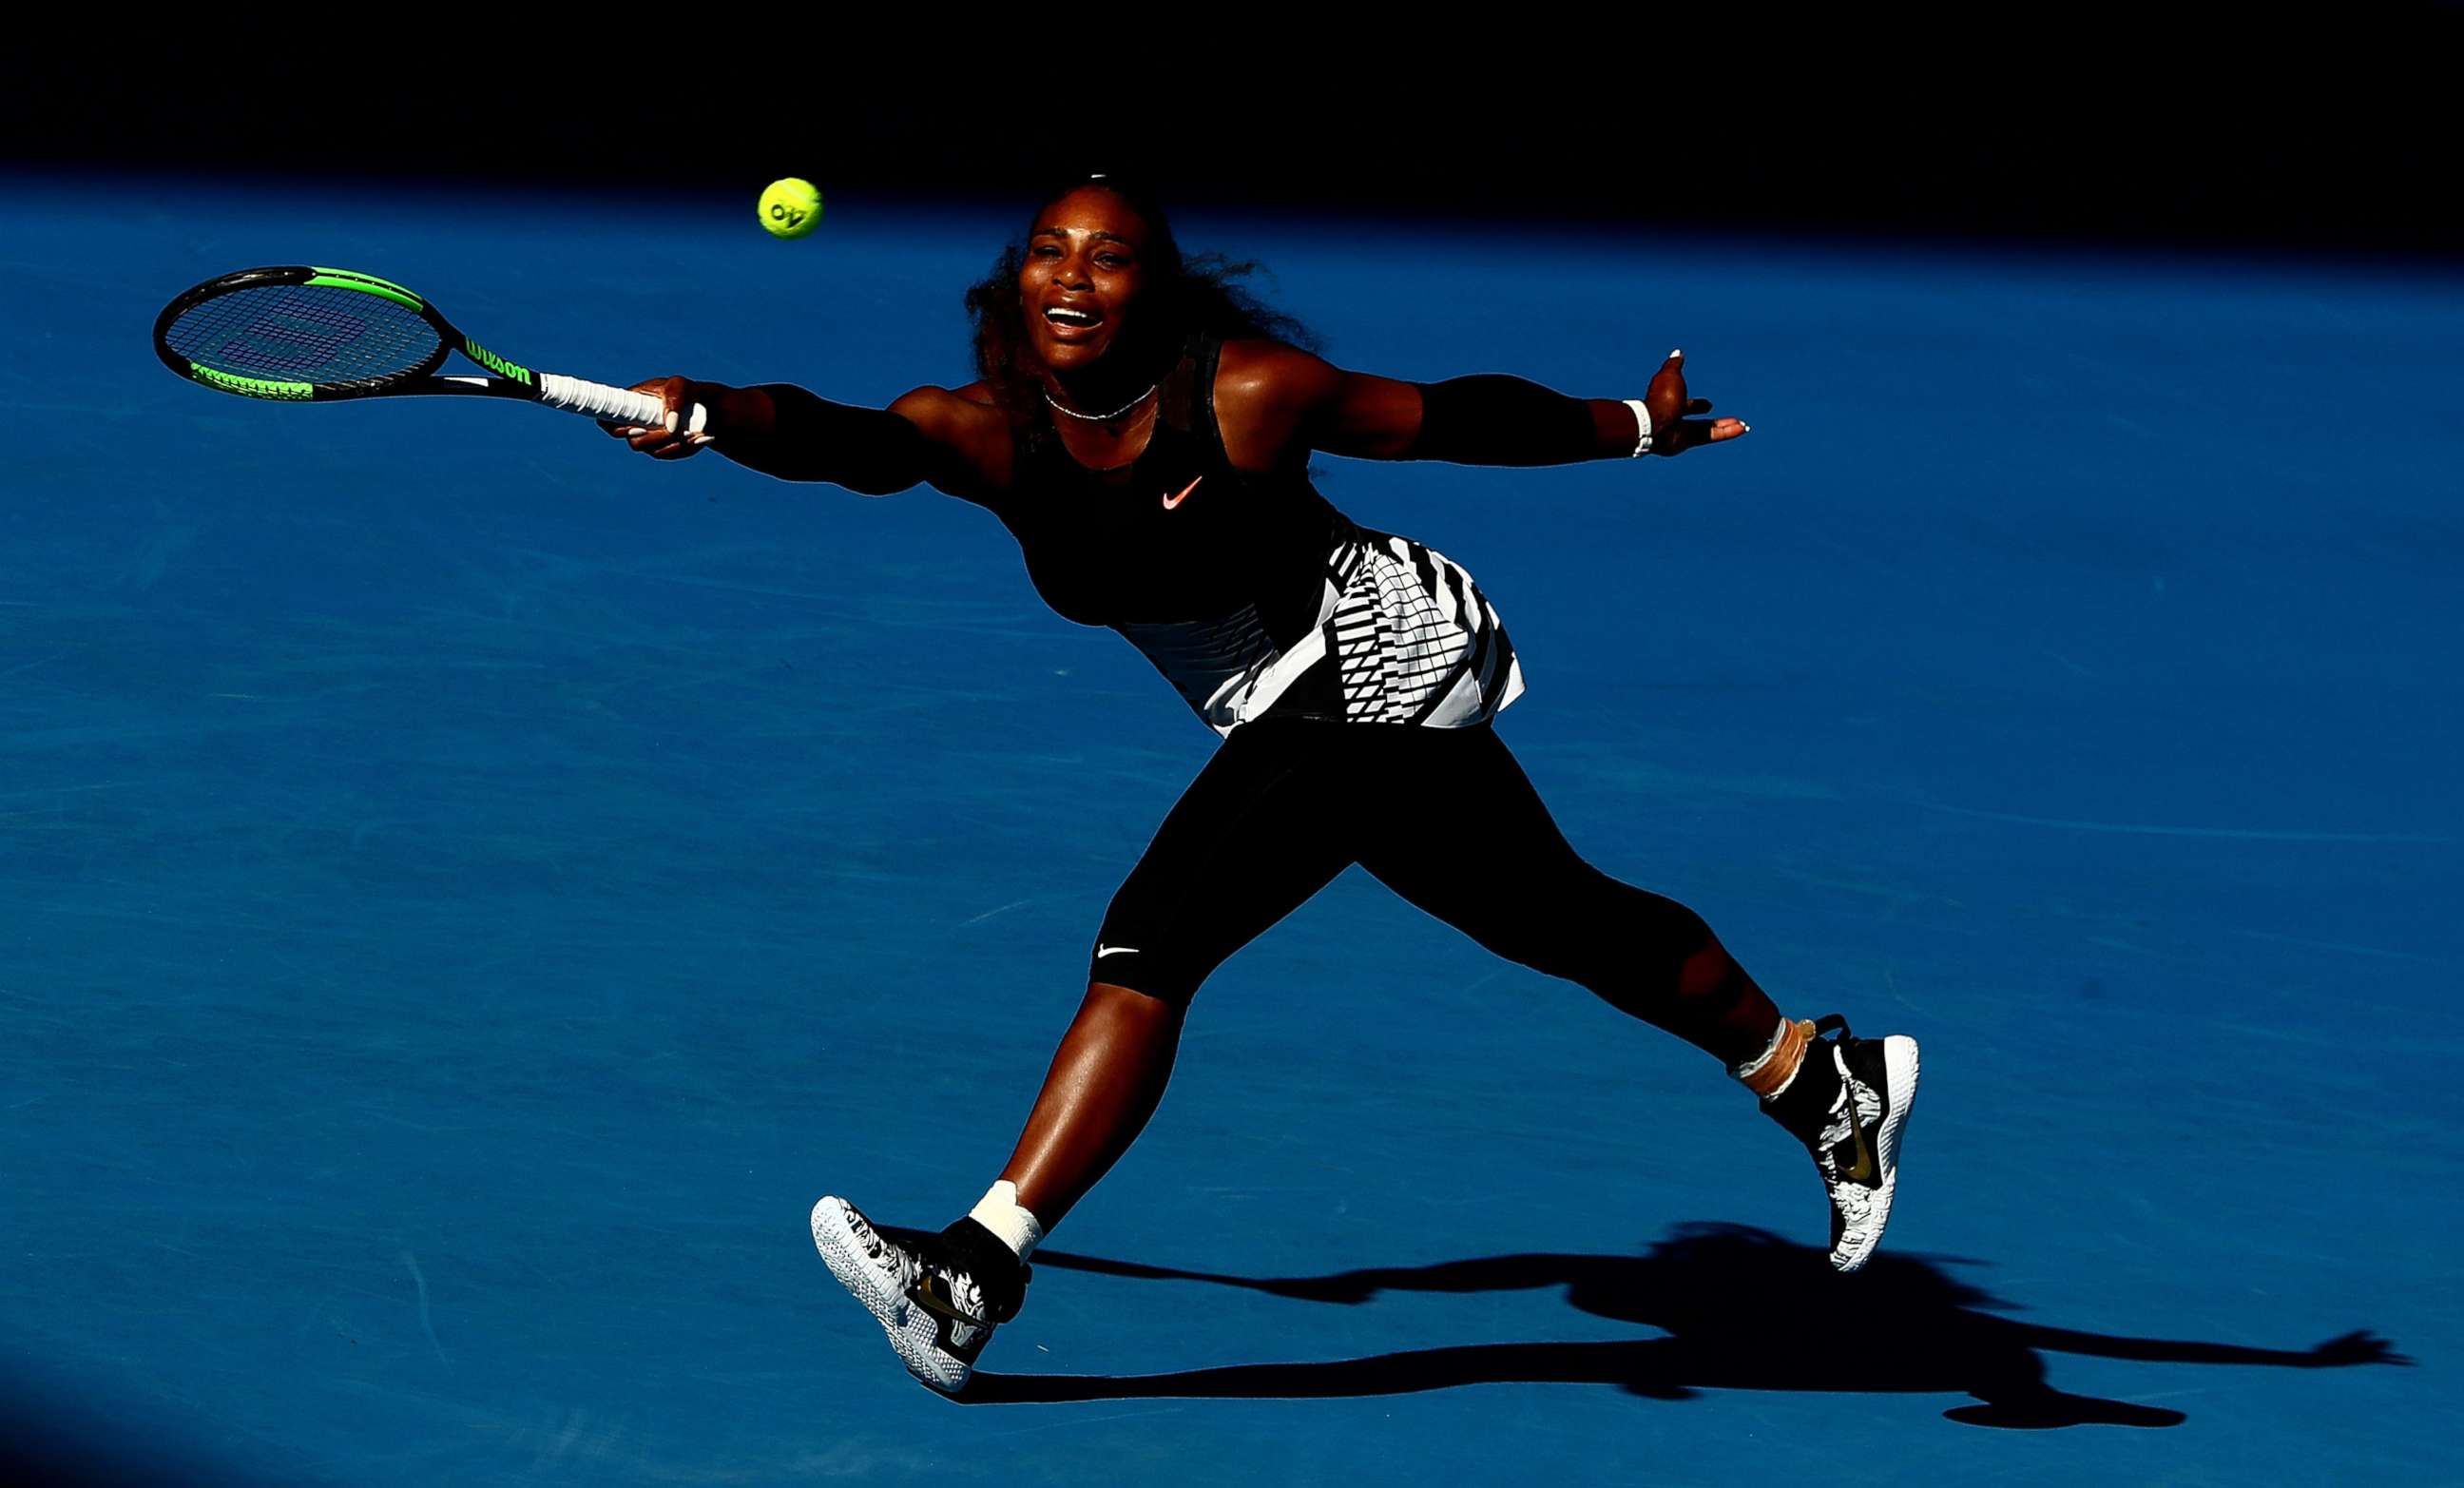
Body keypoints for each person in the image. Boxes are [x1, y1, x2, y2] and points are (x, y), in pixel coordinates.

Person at [609, 176, 1919, 1395]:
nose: (1071, 278)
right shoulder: (986, 435)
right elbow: (842, 438)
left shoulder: (1246, 393)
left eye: (1109, 259)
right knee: (1557, 917)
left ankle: (976, 1267)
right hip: (1278, 700)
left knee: (1151, 939)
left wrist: (1633, 426)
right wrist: (716, 413)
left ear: (1156, 294)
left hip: (1380, 655)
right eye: (1049, 255)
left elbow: (1447, 417)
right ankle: (1817, 1076)